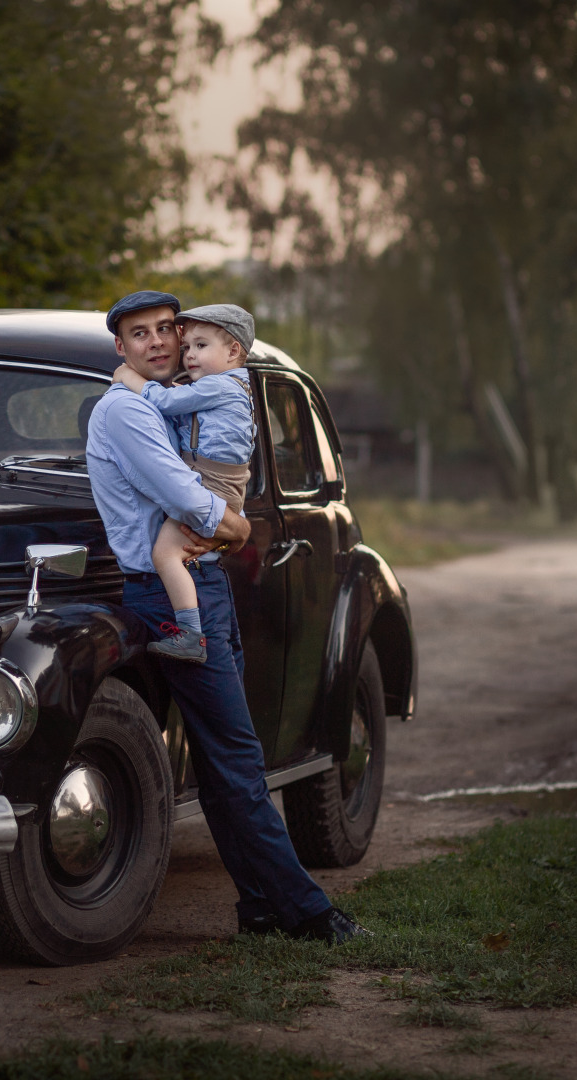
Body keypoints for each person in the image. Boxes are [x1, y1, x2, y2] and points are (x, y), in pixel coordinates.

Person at [85, 289, 367, 943]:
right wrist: (235, 525)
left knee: (222, 760)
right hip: (168, 595)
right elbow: (185, 497)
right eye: (139, 334)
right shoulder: (126, 412)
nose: (158, 343)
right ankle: (307, 911)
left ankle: (260, 905)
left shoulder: (178, 395)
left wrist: (225, 528)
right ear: (119, 347)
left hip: (201, 586)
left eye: (166, 331)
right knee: (237, 758)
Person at [113, 304, 258, 663]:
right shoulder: (221, 385)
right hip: (215, 480)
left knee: (164, 553)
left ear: (233, 351)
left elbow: (163, 401)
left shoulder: (222, 385)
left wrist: (127, 377)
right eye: (188, 347)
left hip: (214, 483)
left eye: (201, 346)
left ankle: (191, 634)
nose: (190, 355)